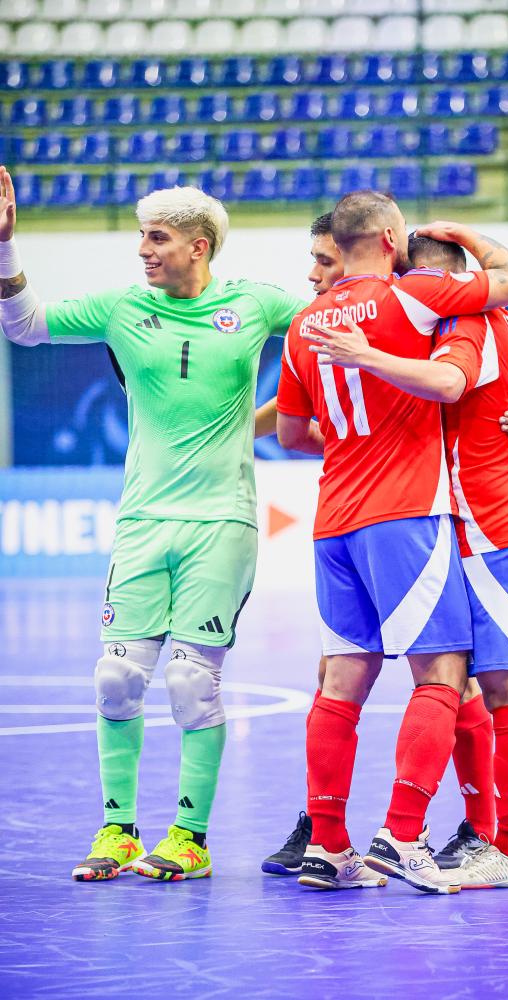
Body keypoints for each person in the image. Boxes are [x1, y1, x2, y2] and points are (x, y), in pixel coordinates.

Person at [0, 167, 306, 881]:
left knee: (192, 684)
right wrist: (5, 245)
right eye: (142, 235)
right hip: (141, 520)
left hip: (221, 524)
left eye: (158, 238)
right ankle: (118, 831)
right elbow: (24, 326)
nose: (143, 249)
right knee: (116, 678)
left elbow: (341, 324)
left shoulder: (255, 304)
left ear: (199, 246)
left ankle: (190, 840)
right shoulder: (122, 307)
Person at [258, 212, 508, 878]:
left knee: (339, 681)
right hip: (407, 515)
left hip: (333, 517)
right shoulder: (411, 296)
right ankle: (406, 834)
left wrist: (353, 442)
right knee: (446, 675)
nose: (312, 272)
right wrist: (465, 234)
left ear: (343, 247)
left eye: (320, 257)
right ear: (390, 240)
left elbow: (292, 435)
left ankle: (328, 845)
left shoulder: (303, 325)